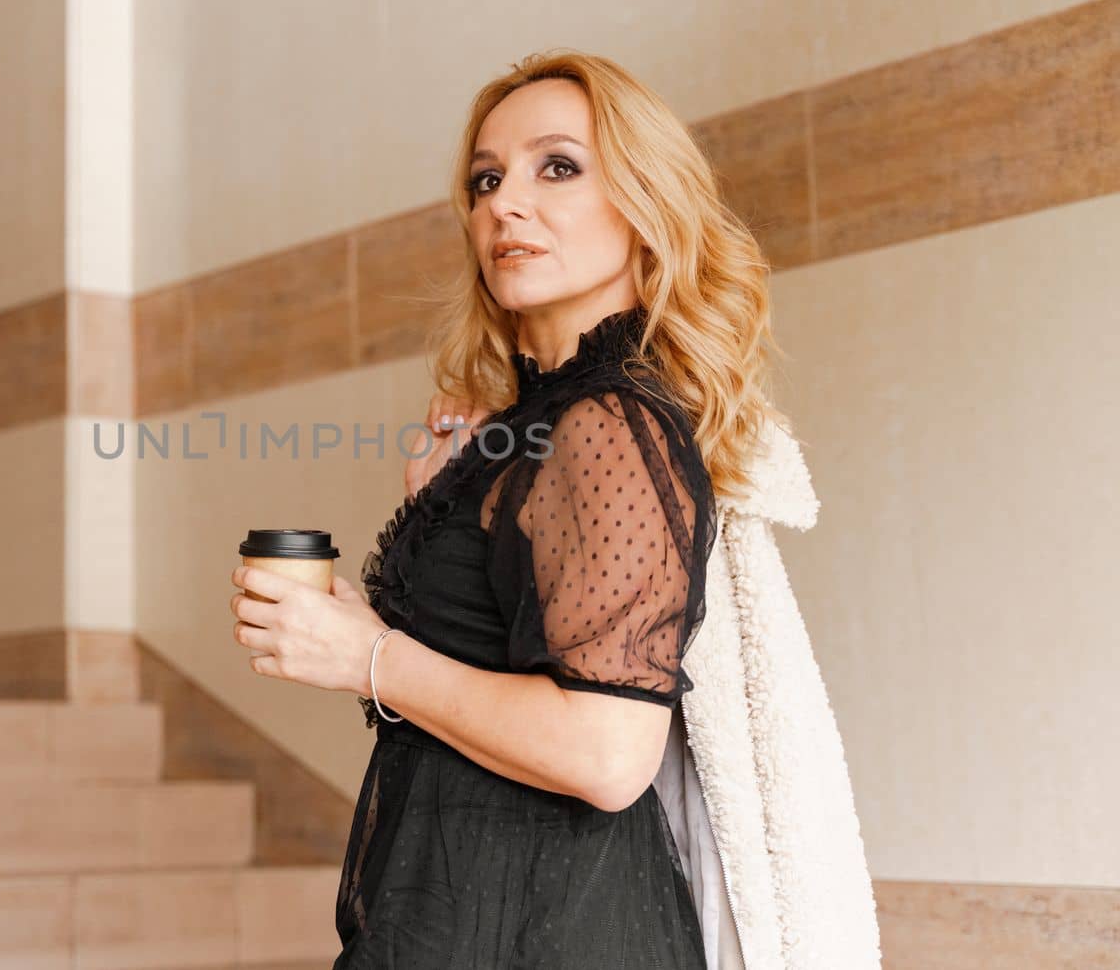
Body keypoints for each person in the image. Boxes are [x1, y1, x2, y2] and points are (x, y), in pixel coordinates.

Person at [228, 50, 881, 968]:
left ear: (643, 205)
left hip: (547, 930)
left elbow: (608, 753)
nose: (504, 202)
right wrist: (434, 533)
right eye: (485, 178)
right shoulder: (537, 424)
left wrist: (365, 654)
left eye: (558, 166)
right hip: (478, 911)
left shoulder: (606, 421)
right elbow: (504, 678)